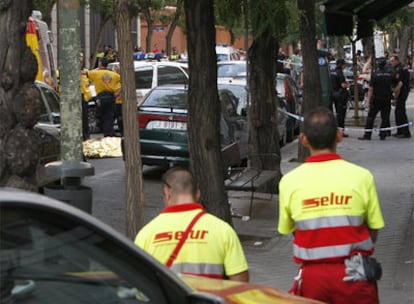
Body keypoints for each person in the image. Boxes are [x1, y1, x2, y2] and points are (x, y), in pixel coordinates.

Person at [278, 107, 385, 304]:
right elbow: (374, 229)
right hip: (356, 275)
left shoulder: (289, 182)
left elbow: (291, 229)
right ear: (339, 135)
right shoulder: (362, 177)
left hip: (312, 279)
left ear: (303, 139)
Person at [134, 167, 249, 282]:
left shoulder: (146, 234)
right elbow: (240, 282)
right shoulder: (223, 230)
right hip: (208, 299)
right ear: (198, 194)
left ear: (167, 192)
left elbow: (139, 284)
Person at [358, 57, 395, 141]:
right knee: (385, 117)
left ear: (378, 65)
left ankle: (367, 135)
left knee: (371, 117)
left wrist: (368, 100)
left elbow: (371, 89)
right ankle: (383, 135)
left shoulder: (375, 75)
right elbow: (397, 84)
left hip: (376, 98)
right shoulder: (390, 75)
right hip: (387, 98)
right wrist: (394, 95)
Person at [85, 57, 121, 137]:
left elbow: (85, 73)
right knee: (109, 117)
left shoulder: (96, 73)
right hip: (111, 97)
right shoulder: (114, 75)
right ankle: (109, 134)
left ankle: (106, 132)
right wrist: (117, 93)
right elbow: (124, 82)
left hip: (101, 98)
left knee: (100, 116)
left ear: (100, 64)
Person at [390, 55, 411, 138]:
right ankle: (400, 131)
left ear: (396, 60)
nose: (390, 63)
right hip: (404, 91)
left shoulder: (399, 69)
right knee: (398, 112)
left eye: (392, 61)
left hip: (402, 92)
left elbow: (399, 85)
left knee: (400, 112)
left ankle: (405, 132)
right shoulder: (401, 68)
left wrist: (395, 97)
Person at [331, 58, 350, 137]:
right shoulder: (340, 73)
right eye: (344, 64)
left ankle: (336, 130)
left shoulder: (332, 72)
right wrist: (347, 84)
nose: (345, 66)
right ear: (341, 65)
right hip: (341, 95)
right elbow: (343, 85)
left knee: (337, 113)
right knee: (341, 114)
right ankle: (340, 131)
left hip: (334, 94)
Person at [80, 56, 92, 140]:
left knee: (85, 118)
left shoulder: (86, 72)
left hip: (84, 97)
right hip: (76, 96)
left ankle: (86, 135)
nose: (80, 62)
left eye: (81, 60)